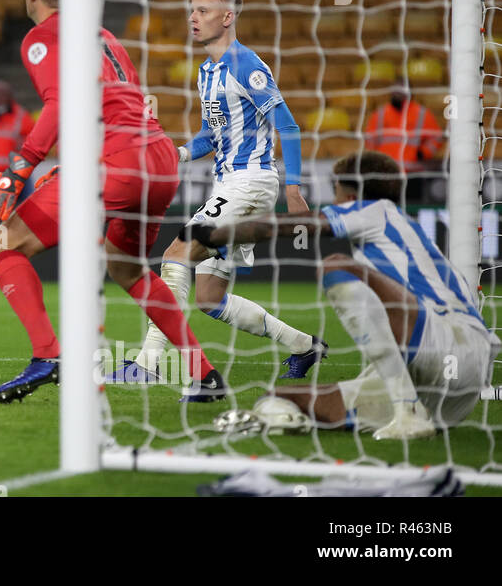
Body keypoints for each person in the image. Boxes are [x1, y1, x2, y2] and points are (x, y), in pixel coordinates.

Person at [0, 0, 224, 403]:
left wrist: (21, 166)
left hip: (119, 163)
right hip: (161, 160)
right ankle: (202, 374)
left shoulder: (43, 36)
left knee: (1, 246)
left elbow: (60, 102)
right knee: (127, 267)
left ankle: (48, 355)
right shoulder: (103, 35)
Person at [191, 151, 501, 440]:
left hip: (449, 345)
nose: (333, 198)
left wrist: (213, 234)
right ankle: (395, 411)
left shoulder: (377, 211)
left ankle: (407, 411)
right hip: (449, 393)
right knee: (278, 397)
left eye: (335, 189)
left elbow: (290, 226)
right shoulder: (410, 242)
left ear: (351, 195)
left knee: (337, 266)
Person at [123, 0, 326, 383]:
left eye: (203, 10)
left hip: (249, 183)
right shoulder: (208, 71)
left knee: (175, 257)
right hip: (229, 184)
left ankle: (147, 364)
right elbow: (210, 136)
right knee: (210, 299)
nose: (193, 17)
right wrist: (177, 154)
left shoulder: (245, 64)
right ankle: (305, 347)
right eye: (191, 9)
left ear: (228, 17)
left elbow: (289, 126)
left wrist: (294, 189)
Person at [364, 78, 444, 203]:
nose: (398, 93)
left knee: (411, 210)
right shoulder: (380, 114)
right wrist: (376, 163)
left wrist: (423, 152)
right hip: (386, 175)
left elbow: (437, 137)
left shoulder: (421, 114)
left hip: (412, 175)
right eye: (395, 90)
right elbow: (369, 140)